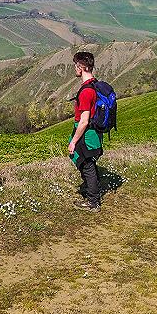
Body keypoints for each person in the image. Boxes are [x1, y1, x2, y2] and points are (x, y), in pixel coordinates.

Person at [70, 50, 104, 211]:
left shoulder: (86, 92)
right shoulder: (94, 85)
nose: (75, 69)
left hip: (86, 133)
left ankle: (93, 201)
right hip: (94, 132)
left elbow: (83, 121)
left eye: (76, 66)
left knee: (87, 164)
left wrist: (74, 141)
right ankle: (92, 190)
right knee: (88, 163)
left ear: (82, 67)